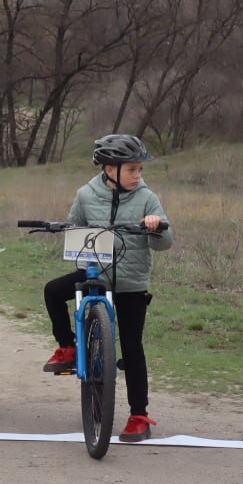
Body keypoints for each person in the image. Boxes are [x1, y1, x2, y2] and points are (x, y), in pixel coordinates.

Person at [42, 134, 173, 442]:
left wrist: (156, 226)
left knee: (132, 346)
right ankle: (69, 346)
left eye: (140, 169)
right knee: (52, 291)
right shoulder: (86, 194)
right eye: (132, 169)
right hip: (95, 276)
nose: (138, 175)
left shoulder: (147, 198)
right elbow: (74, 228)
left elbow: (165, 243)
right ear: (109, 169)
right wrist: (63, 229)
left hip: (130, 284)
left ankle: (139, 416)